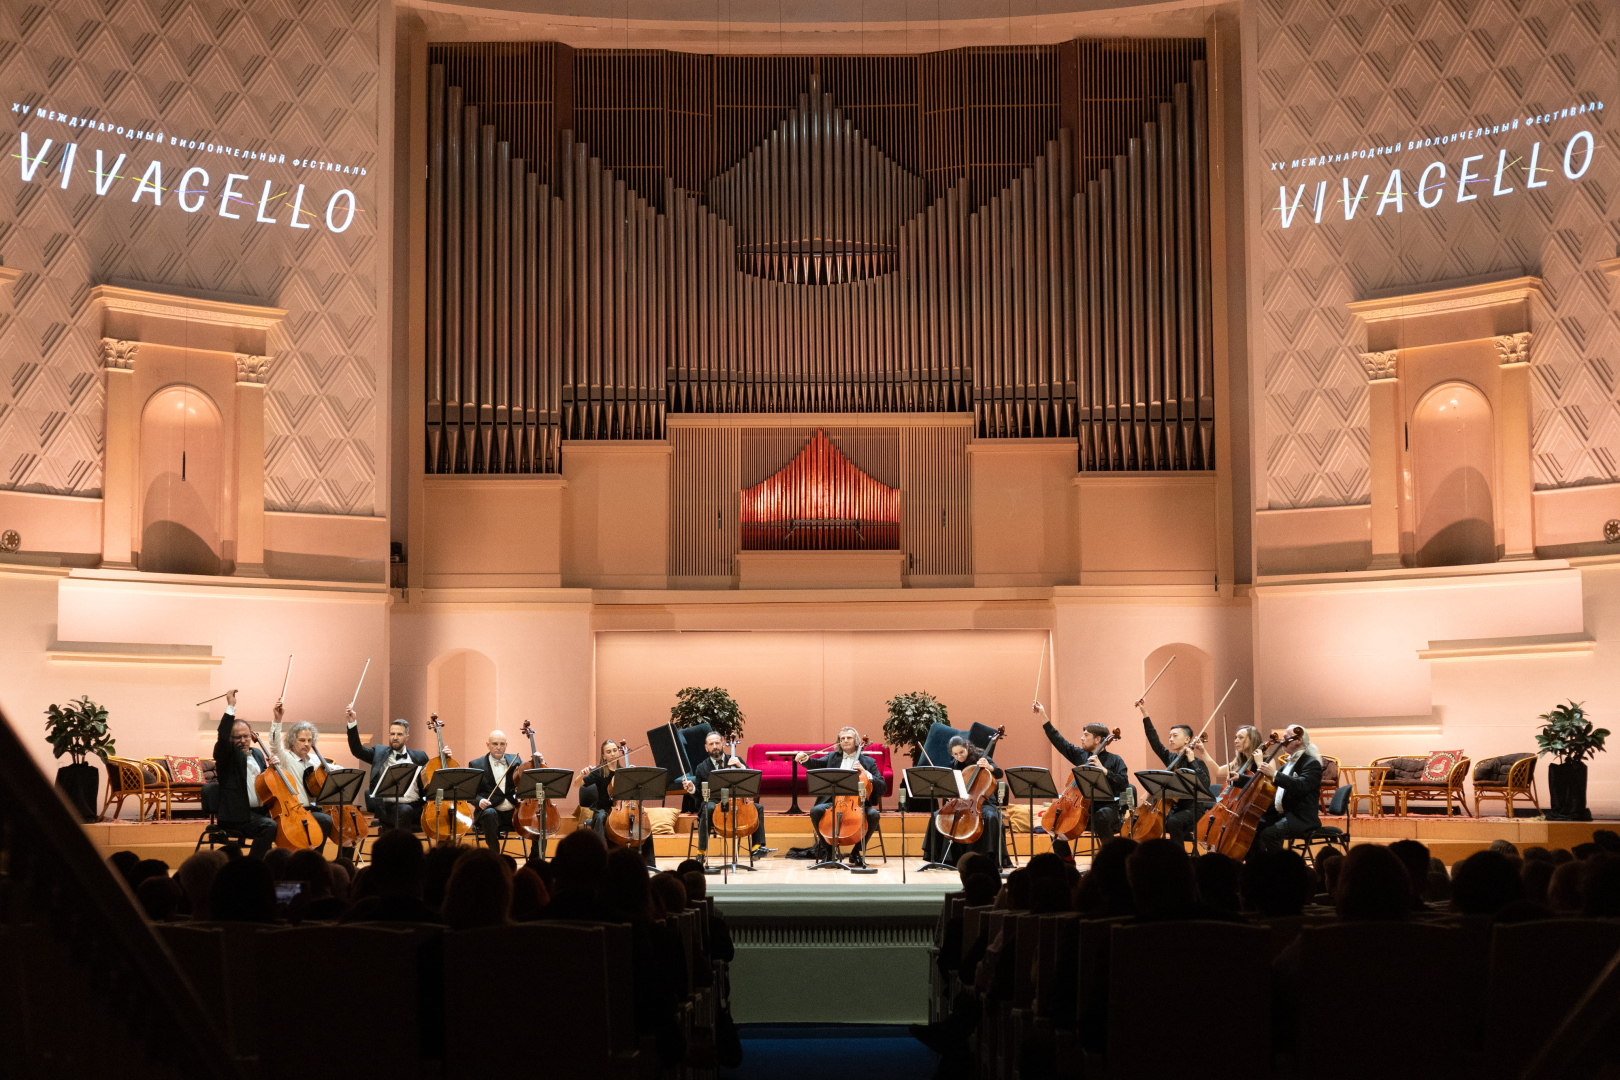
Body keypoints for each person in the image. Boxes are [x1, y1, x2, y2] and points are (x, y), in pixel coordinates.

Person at [1033, 701, 1127, 858]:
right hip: (1082, 809)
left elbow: (1124, 783)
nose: (1081, 738)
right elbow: (1058, 741)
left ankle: (1112, 859)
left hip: (1108, 808)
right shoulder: (1082, 756)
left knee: (1101, 816)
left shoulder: (1115, 760)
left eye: (1086, 735)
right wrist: (1043, 715)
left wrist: (1104, 771)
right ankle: (1067, 862)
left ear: (1098, 739)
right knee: (1055, 821)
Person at [795, 727, 887, 868]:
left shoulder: (868, 762)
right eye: (842, 738)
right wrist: (805, 759)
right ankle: (829, 852)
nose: (845, 741)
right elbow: (815, 764)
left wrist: (865, 772)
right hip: (833, 802)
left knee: (874, 815)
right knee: (816, 811)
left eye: (848, 738)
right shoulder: (833, 757)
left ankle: (856, 852)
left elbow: (882, 786)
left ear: (856, 741)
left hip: (858, 804)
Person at [683, 732, 772, 864]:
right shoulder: (702, 767)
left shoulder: (737, 760)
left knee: (758, 808)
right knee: (708, 807)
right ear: (706, 747)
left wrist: (741, 767)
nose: (715, 746)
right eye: (711, 744)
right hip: (713, 802)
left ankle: (756, 848)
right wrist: (691, 789)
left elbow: (751, 781)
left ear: (723, 744)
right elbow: (699, 793)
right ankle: (701, 852)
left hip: (737, 802)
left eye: (717, 743)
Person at [211, 690, 278, 858]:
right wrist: (231, 706)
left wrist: (272, 769)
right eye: (237, 737)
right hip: (236, 814)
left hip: (260, 812)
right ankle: (251, 868)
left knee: (285, 824)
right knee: (269, 826)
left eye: (246, 736)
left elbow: (265, 784)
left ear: (252, 736)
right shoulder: (226, 755)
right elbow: (222, 735)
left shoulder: (256, 754)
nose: (242, 741)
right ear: (230, 739)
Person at [925, 735, 1008, 868]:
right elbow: (952, 785)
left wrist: (989, 767)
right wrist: (951, 795)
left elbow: (999, 773)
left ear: (967, 747)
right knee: (937, 815)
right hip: (962, 801)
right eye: (955, 754)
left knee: (991, 817)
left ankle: (988, 858)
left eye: (961, 752)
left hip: (983, 802)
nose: (959, 756)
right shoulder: (954, 763)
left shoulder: (981, 756)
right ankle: (946, 859)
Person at [1138, 703, 1212, 845]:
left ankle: (1179, 860)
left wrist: (1192, 761)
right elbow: (1155, 743)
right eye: (1169, 736)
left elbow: (1205, 784)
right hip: (1175, 807)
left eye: (1175, 736)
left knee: (1173, 821)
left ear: (1187, 739)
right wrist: (1145, 714)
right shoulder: (1171, 758)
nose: (1170, 739)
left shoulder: (1197, 762)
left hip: (1193, 808)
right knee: (1158, 821)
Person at [347, 713, 432, 832]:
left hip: (416, 806)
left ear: (407, 737)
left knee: (442, 814)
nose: (395, 737)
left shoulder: (420, 756)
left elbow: (430, 779)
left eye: (399, 734)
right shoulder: (379, 753)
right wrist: (352, 723)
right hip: (390, 809)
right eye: (392, 734)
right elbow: (357, 750)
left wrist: (445, 758)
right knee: (405, 811)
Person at [580, 739, 656, 868]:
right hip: (603, 808)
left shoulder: (624, 771)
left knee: (643, 825)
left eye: (615, 750)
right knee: (600, 817)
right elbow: (578, 784)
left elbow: (635, 791)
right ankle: (599, 861)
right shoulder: (599, 772)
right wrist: (581, 774)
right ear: (603, 756)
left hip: (623, 808)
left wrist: (634, 775)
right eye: (609, 752)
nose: (613, 754)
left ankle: (649, 865)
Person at [268, 708, 336, 849]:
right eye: (302, 740)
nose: (307, 744)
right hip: (295, 810)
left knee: (334, 821)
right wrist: (277, 720)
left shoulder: (315, 761)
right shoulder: (285, 759)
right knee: (324, 820)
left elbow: (337, 770)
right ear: (292, 741)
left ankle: (317, 859)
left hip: (313, 808)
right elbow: (275, 745)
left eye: (310, 740)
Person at [1250, 726, 1323, 856]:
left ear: (1299, 740)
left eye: (1285, 738)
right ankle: (1261, 867)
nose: (1281, 741)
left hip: (1299, 817)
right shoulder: (1288, 765)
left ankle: (1284, 869)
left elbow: (1301, 786)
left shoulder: (1311, 763)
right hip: (1282, 814)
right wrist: (1239, 778)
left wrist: (1275, 774)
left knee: (1270, 834)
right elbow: (1270, 784)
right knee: (1252, 828)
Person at [470, 729, 530, 854]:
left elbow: (530, 775)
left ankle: (535, 858)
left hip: (512, 813)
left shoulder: (515, 760)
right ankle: (495, 855)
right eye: (495, 744)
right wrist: (479, 801)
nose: (498, 747)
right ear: (488, 745)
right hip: (491, 814)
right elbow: (470, 794)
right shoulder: (476, 764)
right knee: (489, 814)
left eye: (502, 744)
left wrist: (539, 761)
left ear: (506, 745)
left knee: (538, 818)